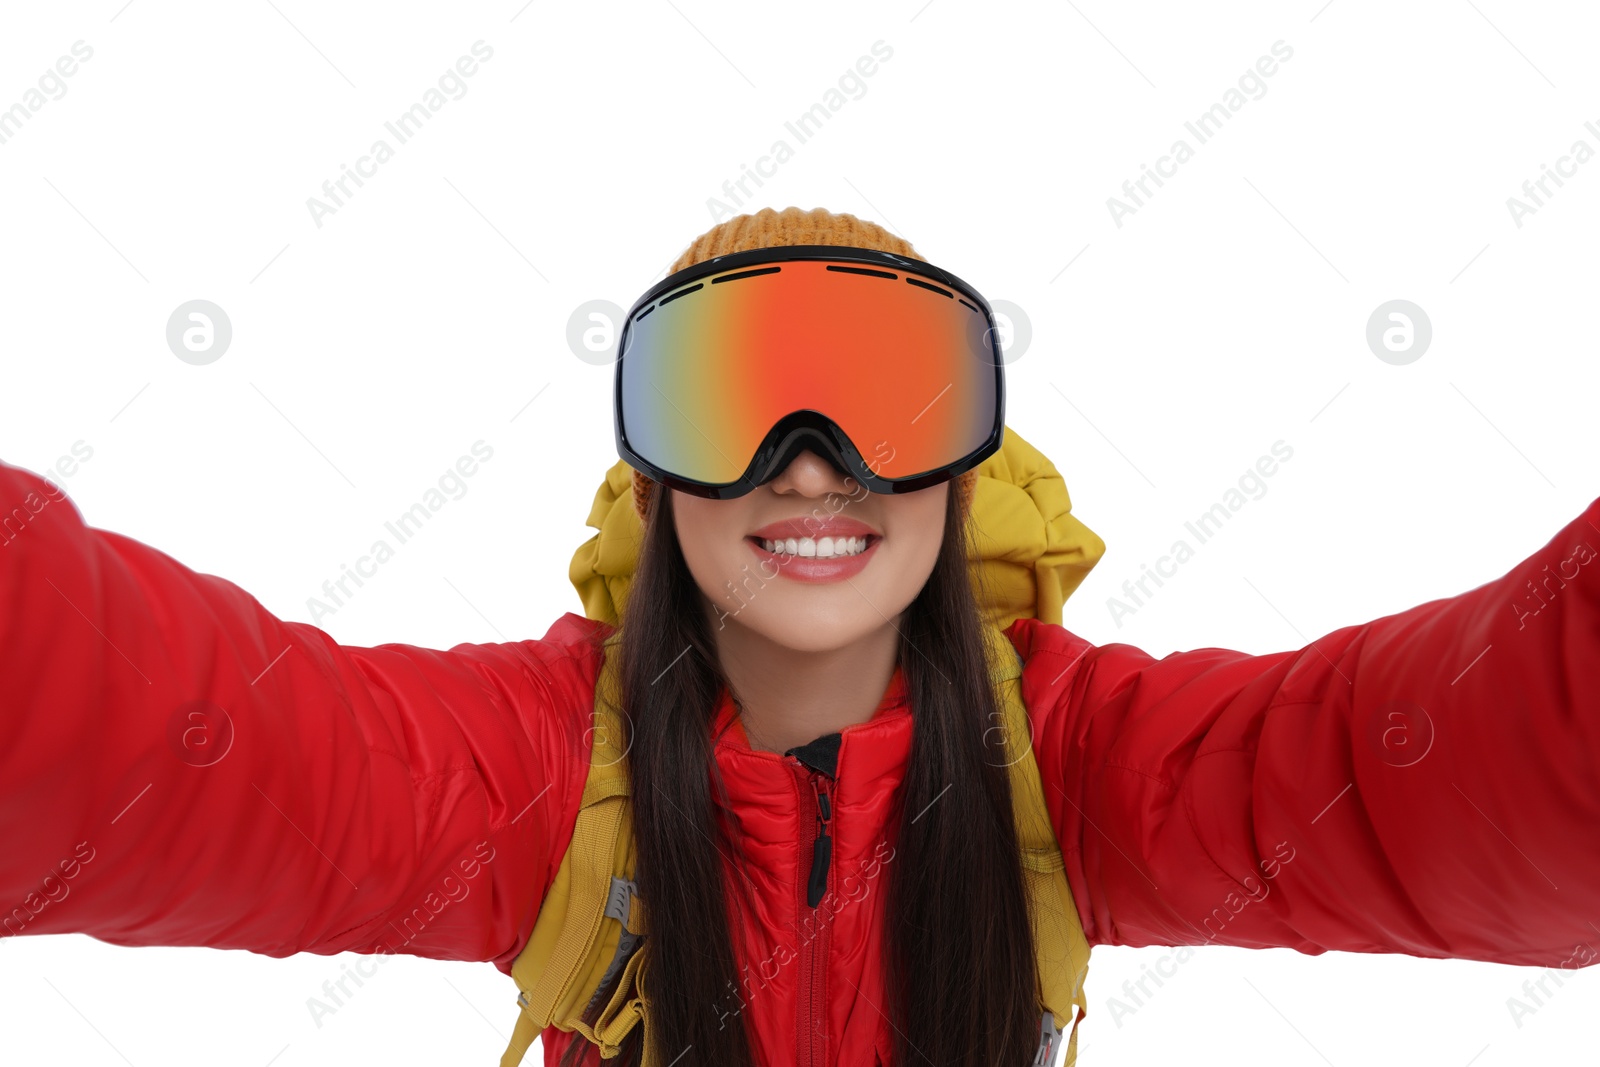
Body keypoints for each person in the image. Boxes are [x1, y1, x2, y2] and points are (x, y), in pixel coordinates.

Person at [1, 205, 1597, 1067]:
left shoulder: (1080, 765)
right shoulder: (553, 777)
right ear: (654, 479)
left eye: (886, 392)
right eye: (730, 400)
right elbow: (196, 742)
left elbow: (1421, 777)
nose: (813, 460)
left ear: (969, 463)